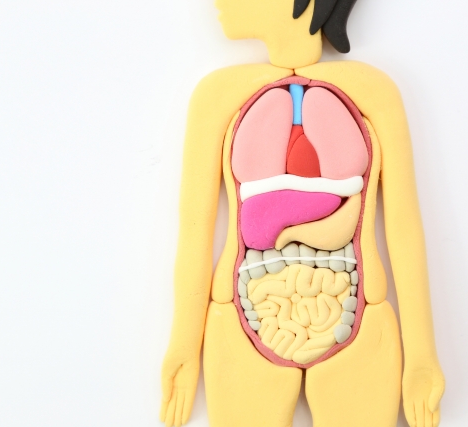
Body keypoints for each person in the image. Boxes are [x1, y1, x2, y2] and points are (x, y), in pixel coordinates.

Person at [160, 1, 445, 426]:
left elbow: (403, 225)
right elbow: (194, 231)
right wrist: (183, 345)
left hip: (359, 320)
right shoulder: (215, 97)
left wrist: (422, 356)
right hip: (241, 319)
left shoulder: (374, 91)